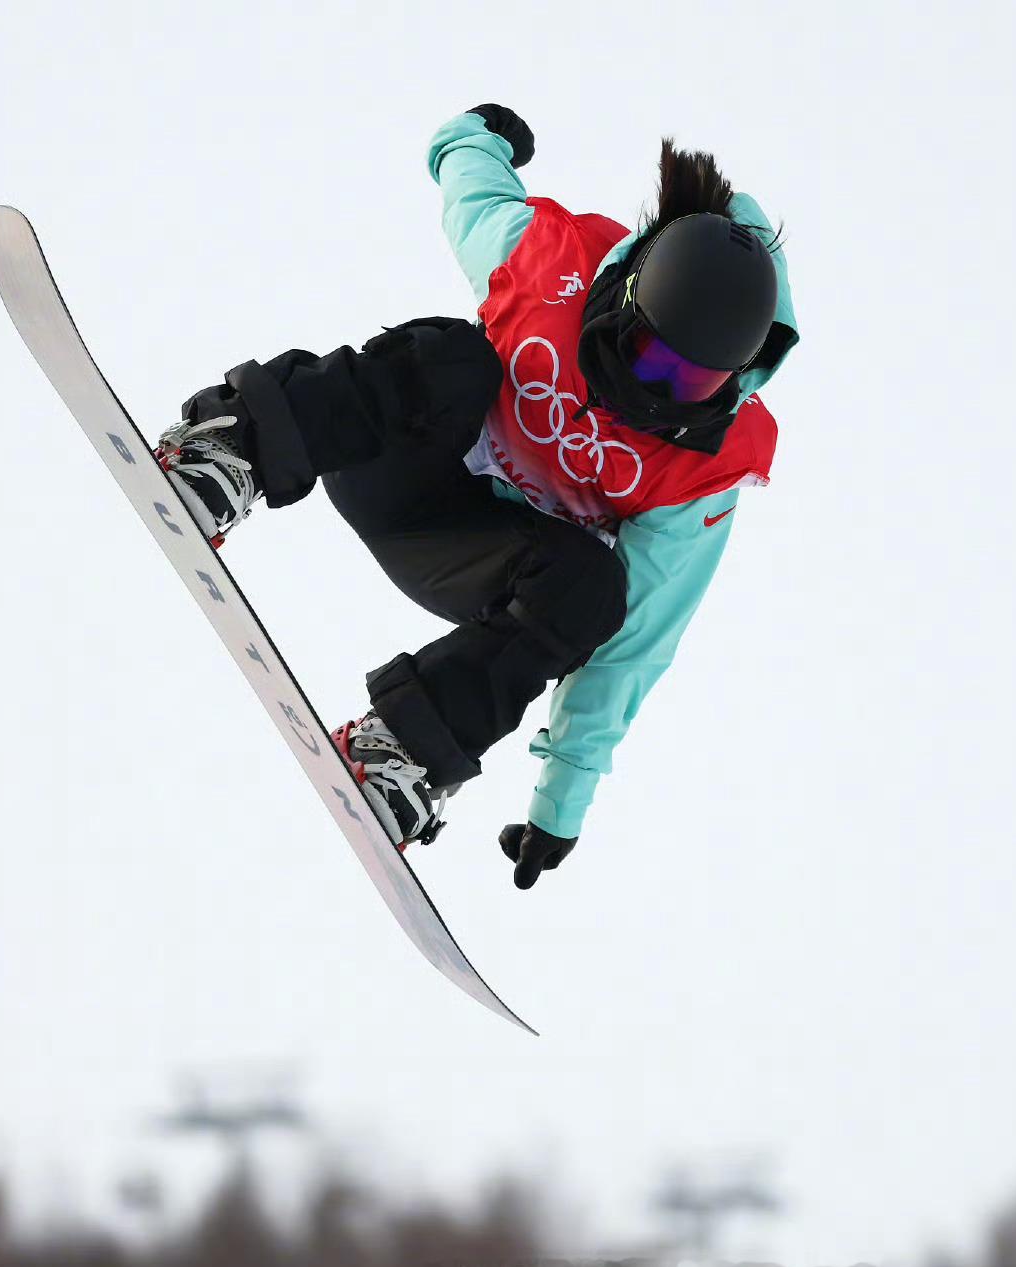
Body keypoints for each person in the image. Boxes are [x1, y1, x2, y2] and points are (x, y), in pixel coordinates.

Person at [157, 104, 798, 889]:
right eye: (649, 356)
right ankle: (229, 445)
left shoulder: (708, 467)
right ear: (627, 300)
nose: (657, 390)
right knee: (456, 355)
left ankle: (406, 751)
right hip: (394, 463)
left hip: (477, 556)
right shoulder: (546, 262)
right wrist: (475, 134)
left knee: (597, 591)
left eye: (691, 381)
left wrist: (560, 804)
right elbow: (471, 187)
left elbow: (637, 648)